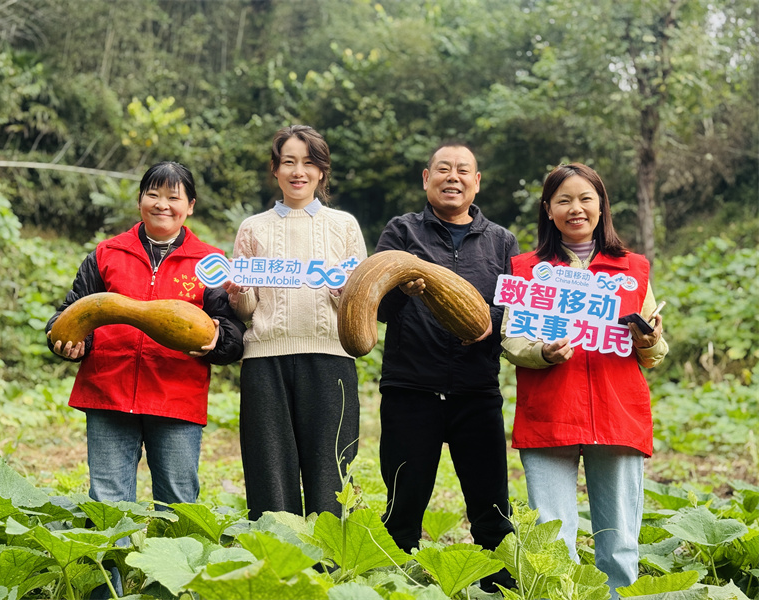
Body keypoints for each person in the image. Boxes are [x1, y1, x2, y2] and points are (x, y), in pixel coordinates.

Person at [501, 163, 668, 597]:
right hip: (550, 411)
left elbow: (655, 353)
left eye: (585, 199)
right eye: (564, 200)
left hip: (617, 413)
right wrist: (542, 352)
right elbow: (512, 339)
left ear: (601, 206)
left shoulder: (633, 269)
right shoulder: (527, 270)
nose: (575, 208)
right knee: (553, 541)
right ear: (548, 210)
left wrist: (649, 340)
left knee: (620, 540)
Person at [46, 161, 245, 508]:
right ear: (140, 200)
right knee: (108, 503)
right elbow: (73, 312)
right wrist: (70, 342)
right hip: (108, 391)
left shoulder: (211, 262)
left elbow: (232, 330)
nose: (162, 204)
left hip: (176, 396)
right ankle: (112, 548)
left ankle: (178, 548)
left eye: (173, 197)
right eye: (153, 194)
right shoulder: (106, 254)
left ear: (190, 206)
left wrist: (219, 339)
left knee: (178, 503)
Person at [375, 142, 519, 591]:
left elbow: (515, 312)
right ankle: (397, 587)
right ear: (426, 178)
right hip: (410, 389)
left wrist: (488, 322)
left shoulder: (501, 241)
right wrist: (403, 291)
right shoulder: (401, 232)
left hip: (476, 391)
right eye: (442, 169)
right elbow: (378, 307)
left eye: (462, 170)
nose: (452, 177)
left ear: (477, 182)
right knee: (403, 505)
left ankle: (499, 586)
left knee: (491, 507)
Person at [223, 125, 367, 521]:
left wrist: (345, 292)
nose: (298, 171)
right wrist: (239, 290)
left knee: (331, 472)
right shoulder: (253, 227)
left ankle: (329, 556)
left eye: (308, 163)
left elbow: (359, 305)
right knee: (269, 471)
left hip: (331, 359)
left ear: (321, 171)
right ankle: (277, 551)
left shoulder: (344, 226)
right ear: (275, 169)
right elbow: (246, 310)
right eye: (288, 162)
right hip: (265, 361)